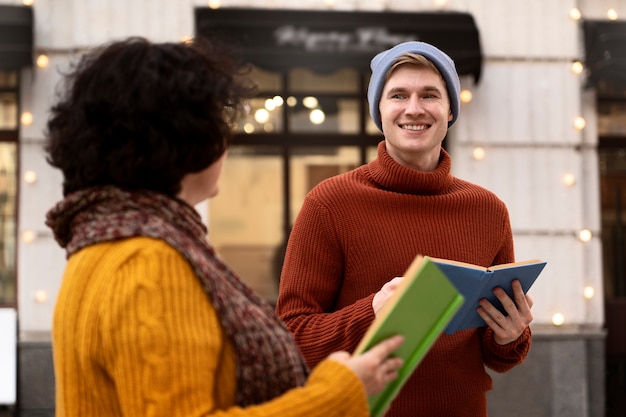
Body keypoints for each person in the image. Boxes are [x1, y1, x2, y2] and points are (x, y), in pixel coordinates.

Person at [44, 36, 406, 417]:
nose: (225, 139)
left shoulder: (98, 243)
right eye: (217, 121)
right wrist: (341, 392)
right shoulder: (148, 262)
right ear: (185, 138)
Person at [275, 41, 534, 417]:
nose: (414, 108)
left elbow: (498, 356)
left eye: (429, 94)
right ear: (379, 111)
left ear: (449, 109)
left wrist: (509, 335)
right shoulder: (329, 203)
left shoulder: (488, 209)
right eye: (398, 95)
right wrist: (372, 312)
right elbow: (292, 337)